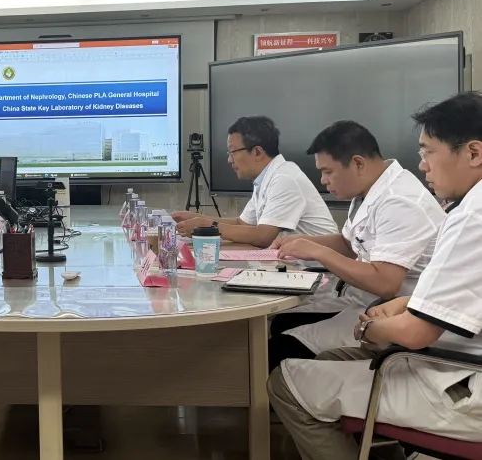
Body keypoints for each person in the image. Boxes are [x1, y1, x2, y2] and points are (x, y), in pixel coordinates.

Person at [269, 92, 482, 459]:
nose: (423, 165)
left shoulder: (466, 216)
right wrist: (406, 305)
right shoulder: (465, 207)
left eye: (429, 152)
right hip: (445, 345)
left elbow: (413, 331)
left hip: (458, 379)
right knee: (329, 360)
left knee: (283, 381)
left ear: (473, 153)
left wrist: (370, 329)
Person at [267, 121, 444, 370]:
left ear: (358, 163)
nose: (323, 180)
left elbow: (386, 283)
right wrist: (301, 242)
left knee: (279, 349)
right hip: (365, 300)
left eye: (328, 172)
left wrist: (318, 251)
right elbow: (350, 243)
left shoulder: (400, 201)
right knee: (280, 322)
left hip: (391, 312)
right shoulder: (370, 190)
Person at [173, 116, 337, 246]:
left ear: (257, 152)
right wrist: (194, 218)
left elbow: (263, 236)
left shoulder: (284, 179)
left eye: (233, 152)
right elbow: (242, 224)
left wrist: (208, 225)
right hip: (297, 263)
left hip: (319, 269)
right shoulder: (266, 178)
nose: (229, 160)